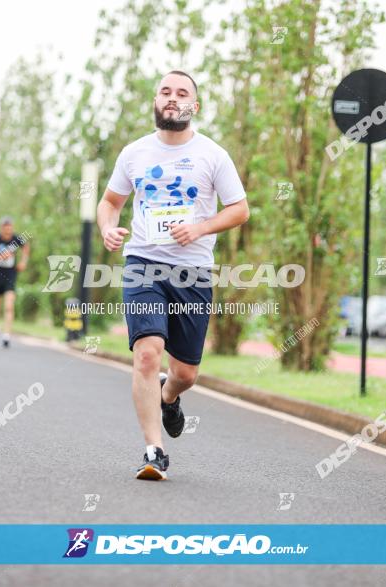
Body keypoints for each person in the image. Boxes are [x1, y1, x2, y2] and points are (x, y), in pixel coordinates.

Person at [96, 70, 249, 480]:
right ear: (156, 100)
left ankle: (170, 395)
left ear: (193, 106)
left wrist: (199, 228)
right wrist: (107, 228)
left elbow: (240, 209)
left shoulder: (212, 155)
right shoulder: (134, 154)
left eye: (182, 94)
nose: (172, 98)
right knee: (146, 353)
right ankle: (153, 451)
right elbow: (110, 202)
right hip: (143, 263)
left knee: (186, 373)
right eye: (165, 91)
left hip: (193, 270)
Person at [0, 217, 30, 348]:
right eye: (5, 229)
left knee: (9, 305)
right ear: (1, 228)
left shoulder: (16, 239)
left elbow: (26, 247)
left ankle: (7, 335)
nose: (8, 232)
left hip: (10, 274)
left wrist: (23, 262)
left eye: (10, 229)